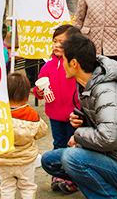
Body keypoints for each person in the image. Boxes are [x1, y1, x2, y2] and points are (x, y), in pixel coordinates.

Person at [41, 32, 117, 199]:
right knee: (49, 160)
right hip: (107, 156)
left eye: (64, 59)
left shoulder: (107, 93)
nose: (62, 63)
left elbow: (110, 137)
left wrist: (78, 135)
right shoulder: (86, 84)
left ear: (74, 63)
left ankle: (110, 196)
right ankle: (101, 188)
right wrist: (83, 120)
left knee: (71, 157)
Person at [33, 24, 80, 193]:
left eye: (62, 42)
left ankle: (73, 178)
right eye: (55, 41)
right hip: (54, 115)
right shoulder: (47, 66)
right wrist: (37, 91)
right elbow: (38, 89)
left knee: (73, 147)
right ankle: (59, 175)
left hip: (73, 115)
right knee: (58, 145)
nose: (57, 45)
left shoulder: (76, 64)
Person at [0, 72, 48, 199]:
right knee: (27, 186)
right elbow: (42, 131)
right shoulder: (32, 114)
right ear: (26, 95)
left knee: (6, 187)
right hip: (26, 161)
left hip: (3, 159)